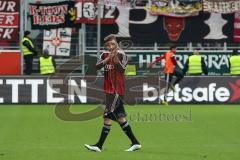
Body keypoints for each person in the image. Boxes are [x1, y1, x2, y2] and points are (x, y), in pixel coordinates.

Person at [84, 34, 141, 152]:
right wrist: (107, 59)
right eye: (108, 45)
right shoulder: (104, 54)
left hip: (116, 91)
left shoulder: (122, 55)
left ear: (117, 43)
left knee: (107, 117)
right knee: (121, 119)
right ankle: (135, 143)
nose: (110, 47)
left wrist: (115, 60)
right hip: (108, 91)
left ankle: (99, 146)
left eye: (112, 44)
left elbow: (122, 69)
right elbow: (97, 66)